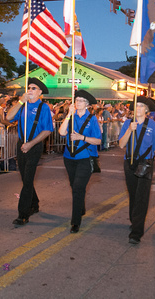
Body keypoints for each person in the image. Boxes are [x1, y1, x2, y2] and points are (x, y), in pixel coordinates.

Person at [5, 78, 54, 226]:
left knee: (27, 180)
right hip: (21, 145)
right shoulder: (23, 105)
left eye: (34, 88)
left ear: (40, 92)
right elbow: (8, 117)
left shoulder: (43, 108)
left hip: (34, 145)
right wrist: (20, 101)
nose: (30, 90)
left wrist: (31, 144)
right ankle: (35, 203)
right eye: (29, 87)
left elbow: (47, 130)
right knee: (25, 178)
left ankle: (23, 214)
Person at [119, 96, 155, 244]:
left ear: (146, 110)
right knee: (133, 194)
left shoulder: (153, 126)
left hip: (145, 164)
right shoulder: (127, 123)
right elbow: (121, 144)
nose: (137, 108)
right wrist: (129, 131)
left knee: (141, 197)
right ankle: (134, 221)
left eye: (140, 106)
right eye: (135, 106)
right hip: (129, 163)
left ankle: (136, 233)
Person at [58, 90, 102, 233]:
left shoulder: (92, 119)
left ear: (87, 104)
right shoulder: (71, 116)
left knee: (77, 187)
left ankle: (75, 222)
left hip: (85, 158)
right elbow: (61, 132)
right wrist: (69, 114)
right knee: (74, 186)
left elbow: (98, 140)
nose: (78, 102)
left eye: (82, 100)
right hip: (69, 158)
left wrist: (82, 137)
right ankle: (80, 207)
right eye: (77, 100)